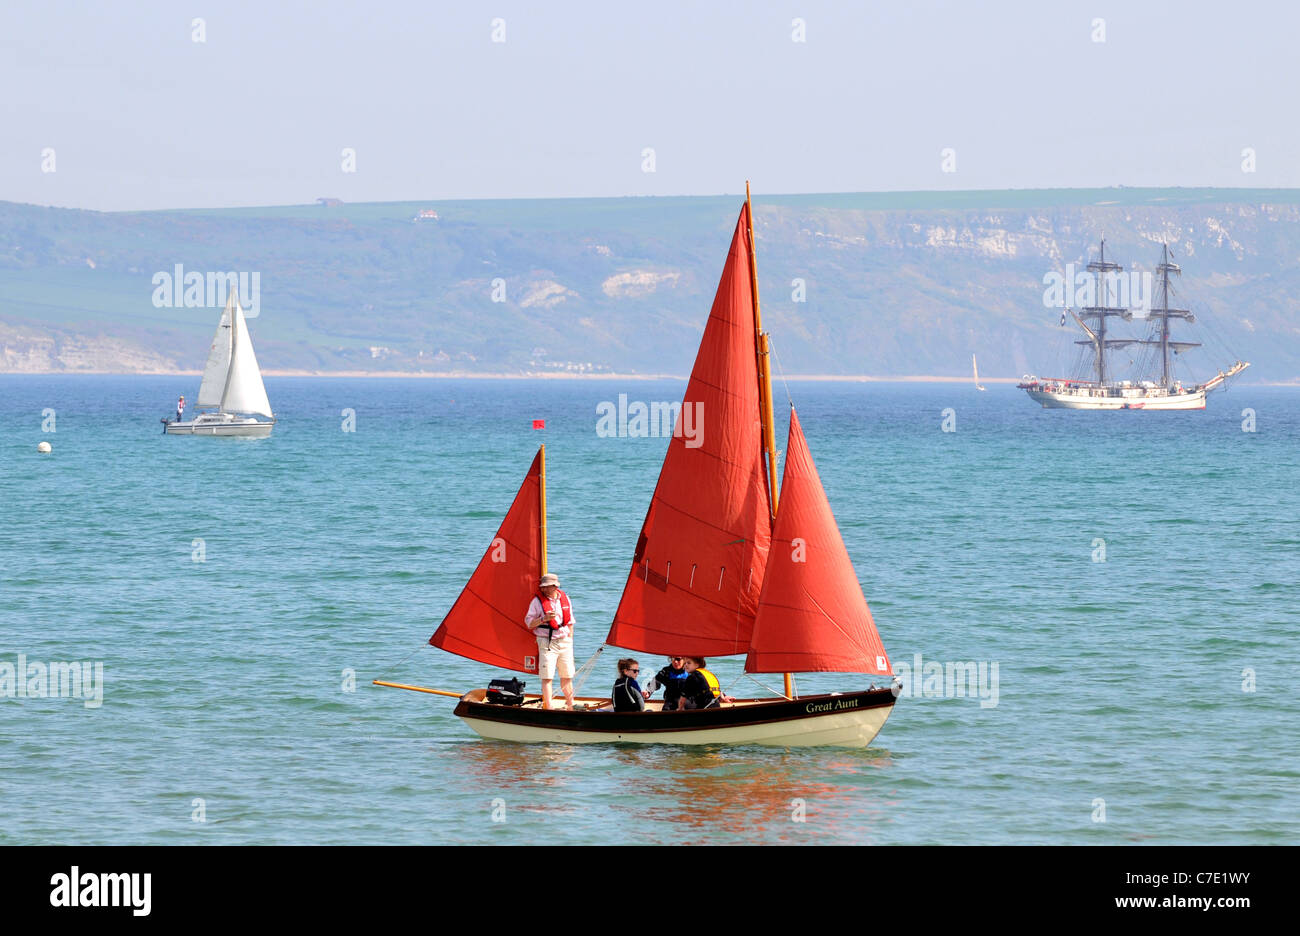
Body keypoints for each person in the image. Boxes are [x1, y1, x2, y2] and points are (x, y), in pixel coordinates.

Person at [523, 572, 575, 711]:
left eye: (547, 587)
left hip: (565, 642)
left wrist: (570, 639)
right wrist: (543, 619)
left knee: (567, 675)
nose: (544, 589)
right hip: (547, 642)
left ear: (555, 586)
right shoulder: (536, 602)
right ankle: (549, 707)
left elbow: (570, 622)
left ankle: (570, 705)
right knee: (547, 677)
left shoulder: (565, 599)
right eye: (542, 587)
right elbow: (529, 623)